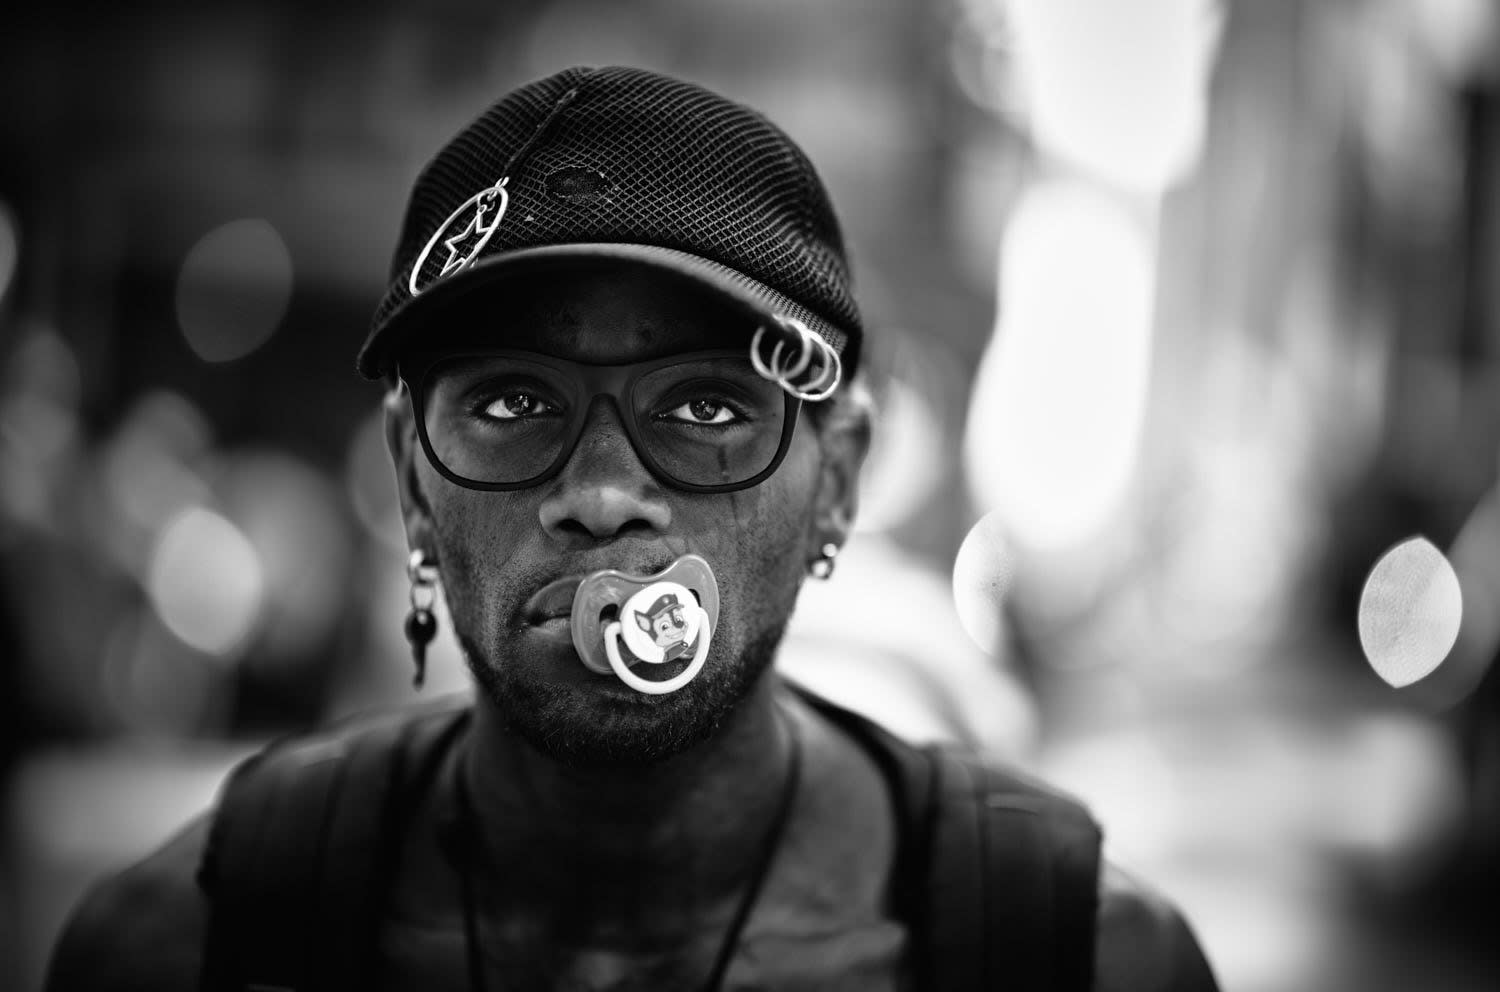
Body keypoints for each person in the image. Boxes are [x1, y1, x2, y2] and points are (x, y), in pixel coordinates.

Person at [44, 65, 1219, 992]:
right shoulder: (185, 945)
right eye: (512, 401)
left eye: (706, 405)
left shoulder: (1081, 959)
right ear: (411, 479)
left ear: (839, 481)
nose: (603, 494)